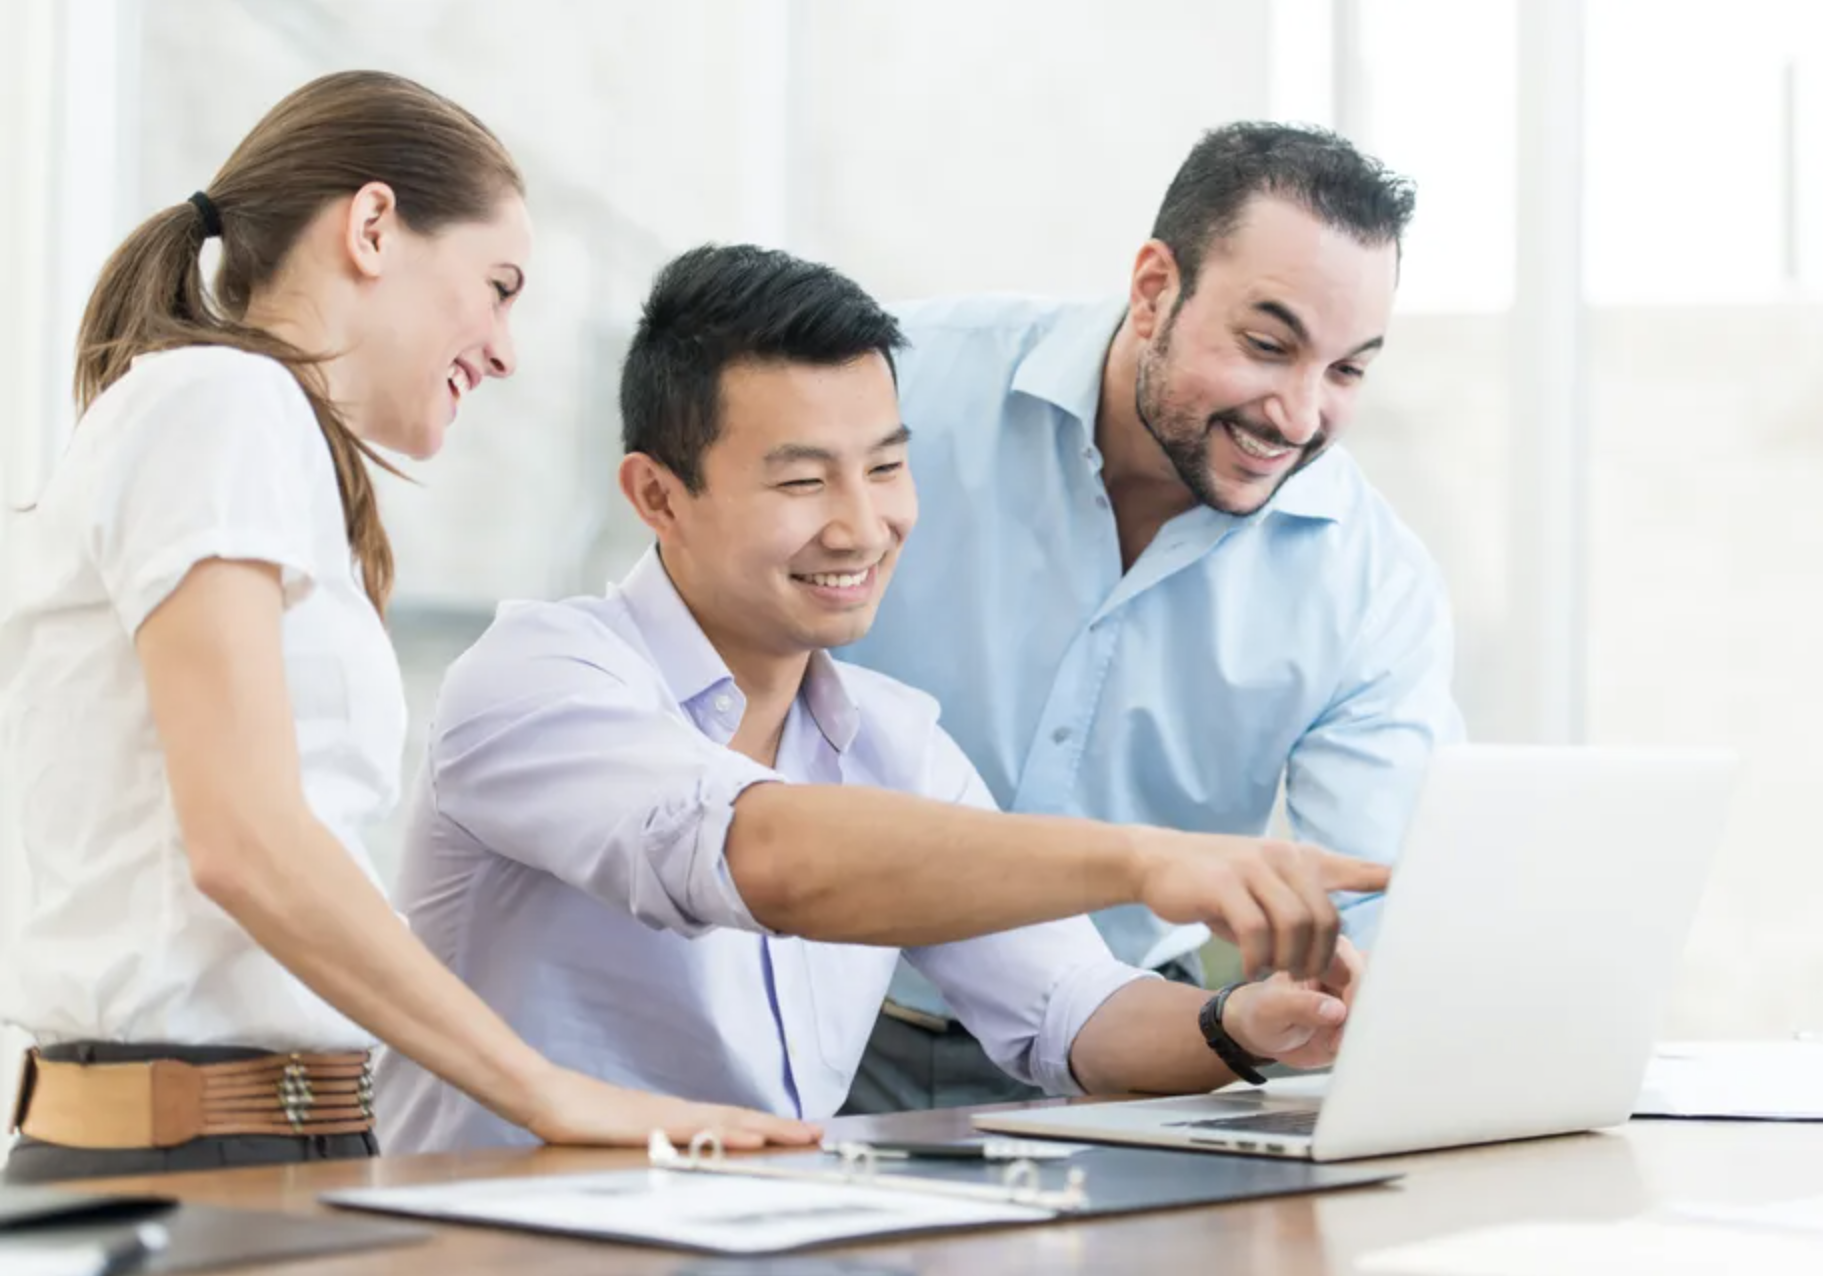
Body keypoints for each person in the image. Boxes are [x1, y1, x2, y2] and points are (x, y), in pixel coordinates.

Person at [375, 244, 1384, 1152]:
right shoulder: (538, 677)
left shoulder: (894, 740)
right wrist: (1145, 859)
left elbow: (1075, 1012)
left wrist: (1242, 1023)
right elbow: (763, 855)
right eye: (802, 483)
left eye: (887, 468)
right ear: (656, 495)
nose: (862, 528)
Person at [0, 71, 814, 1185]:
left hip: (277, 1143)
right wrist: (545, 1090)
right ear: (374, 227)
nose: (507, 348)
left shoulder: (263, 439)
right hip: (184, 1153)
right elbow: (246, 843)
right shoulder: (217, 402)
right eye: (499, 284)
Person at [837, 122, 1465, 1112]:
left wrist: (1390, 1000)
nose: (1298, 417)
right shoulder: (892, 391)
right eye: (1267, 346)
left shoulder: (1367, 580)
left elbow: (1382, 896)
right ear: (1149, 289)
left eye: (1345, 371)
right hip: (821, 1012)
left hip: (1137, 1051)